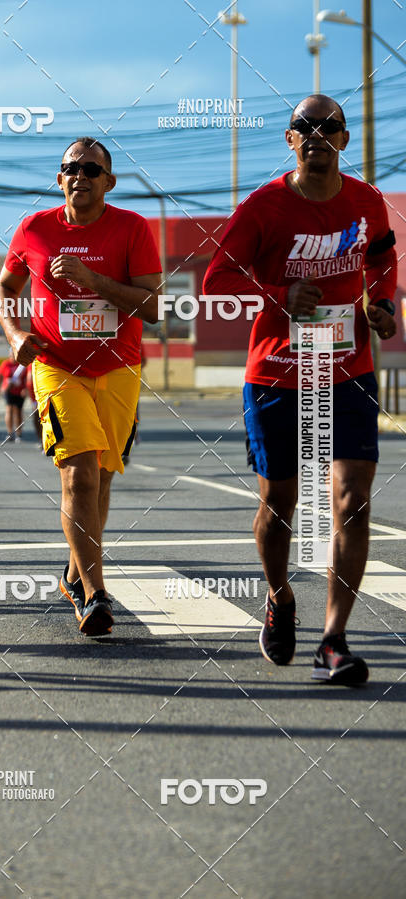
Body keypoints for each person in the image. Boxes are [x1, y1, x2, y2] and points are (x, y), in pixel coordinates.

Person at [203, 95, 397, 684]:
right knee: (279, 504)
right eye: (303, 126)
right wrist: (279, 297)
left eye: (327, 126)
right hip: (277, 373)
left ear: (343, 139)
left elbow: (382, 260)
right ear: (290, 140)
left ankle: (333, 641)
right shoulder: (263, 207)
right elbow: (216, 280)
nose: (316, 134)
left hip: (348, 370)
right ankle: (280, 596)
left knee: (352, 500)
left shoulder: (367, 201)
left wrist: (382, 304)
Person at [0, 137, 161, 636]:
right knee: (79, 475)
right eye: (71, 168)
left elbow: (153, 307)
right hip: (57, 365)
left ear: (109, 181)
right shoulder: (34, 228)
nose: (79, 176)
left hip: (118, 367)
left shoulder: (132, 228)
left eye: (91, 169)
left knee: (101, 478)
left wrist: (92, 279)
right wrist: (14, 334)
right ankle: (94, 593)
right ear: (59, 178)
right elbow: (5, 288)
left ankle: (73, 573)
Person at [0, 350, 26, 441]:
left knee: (18, 411)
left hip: (19, 391)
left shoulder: (22, 364)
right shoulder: (5, 364)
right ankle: (10, 432)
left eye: (15, 355)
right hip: (8, 390)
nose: (13, 357)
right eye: (12, 355)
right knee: (9, 409)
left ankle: (19, 433)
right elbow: (0, 377)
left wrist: (25, 389)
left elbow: (26, 377)